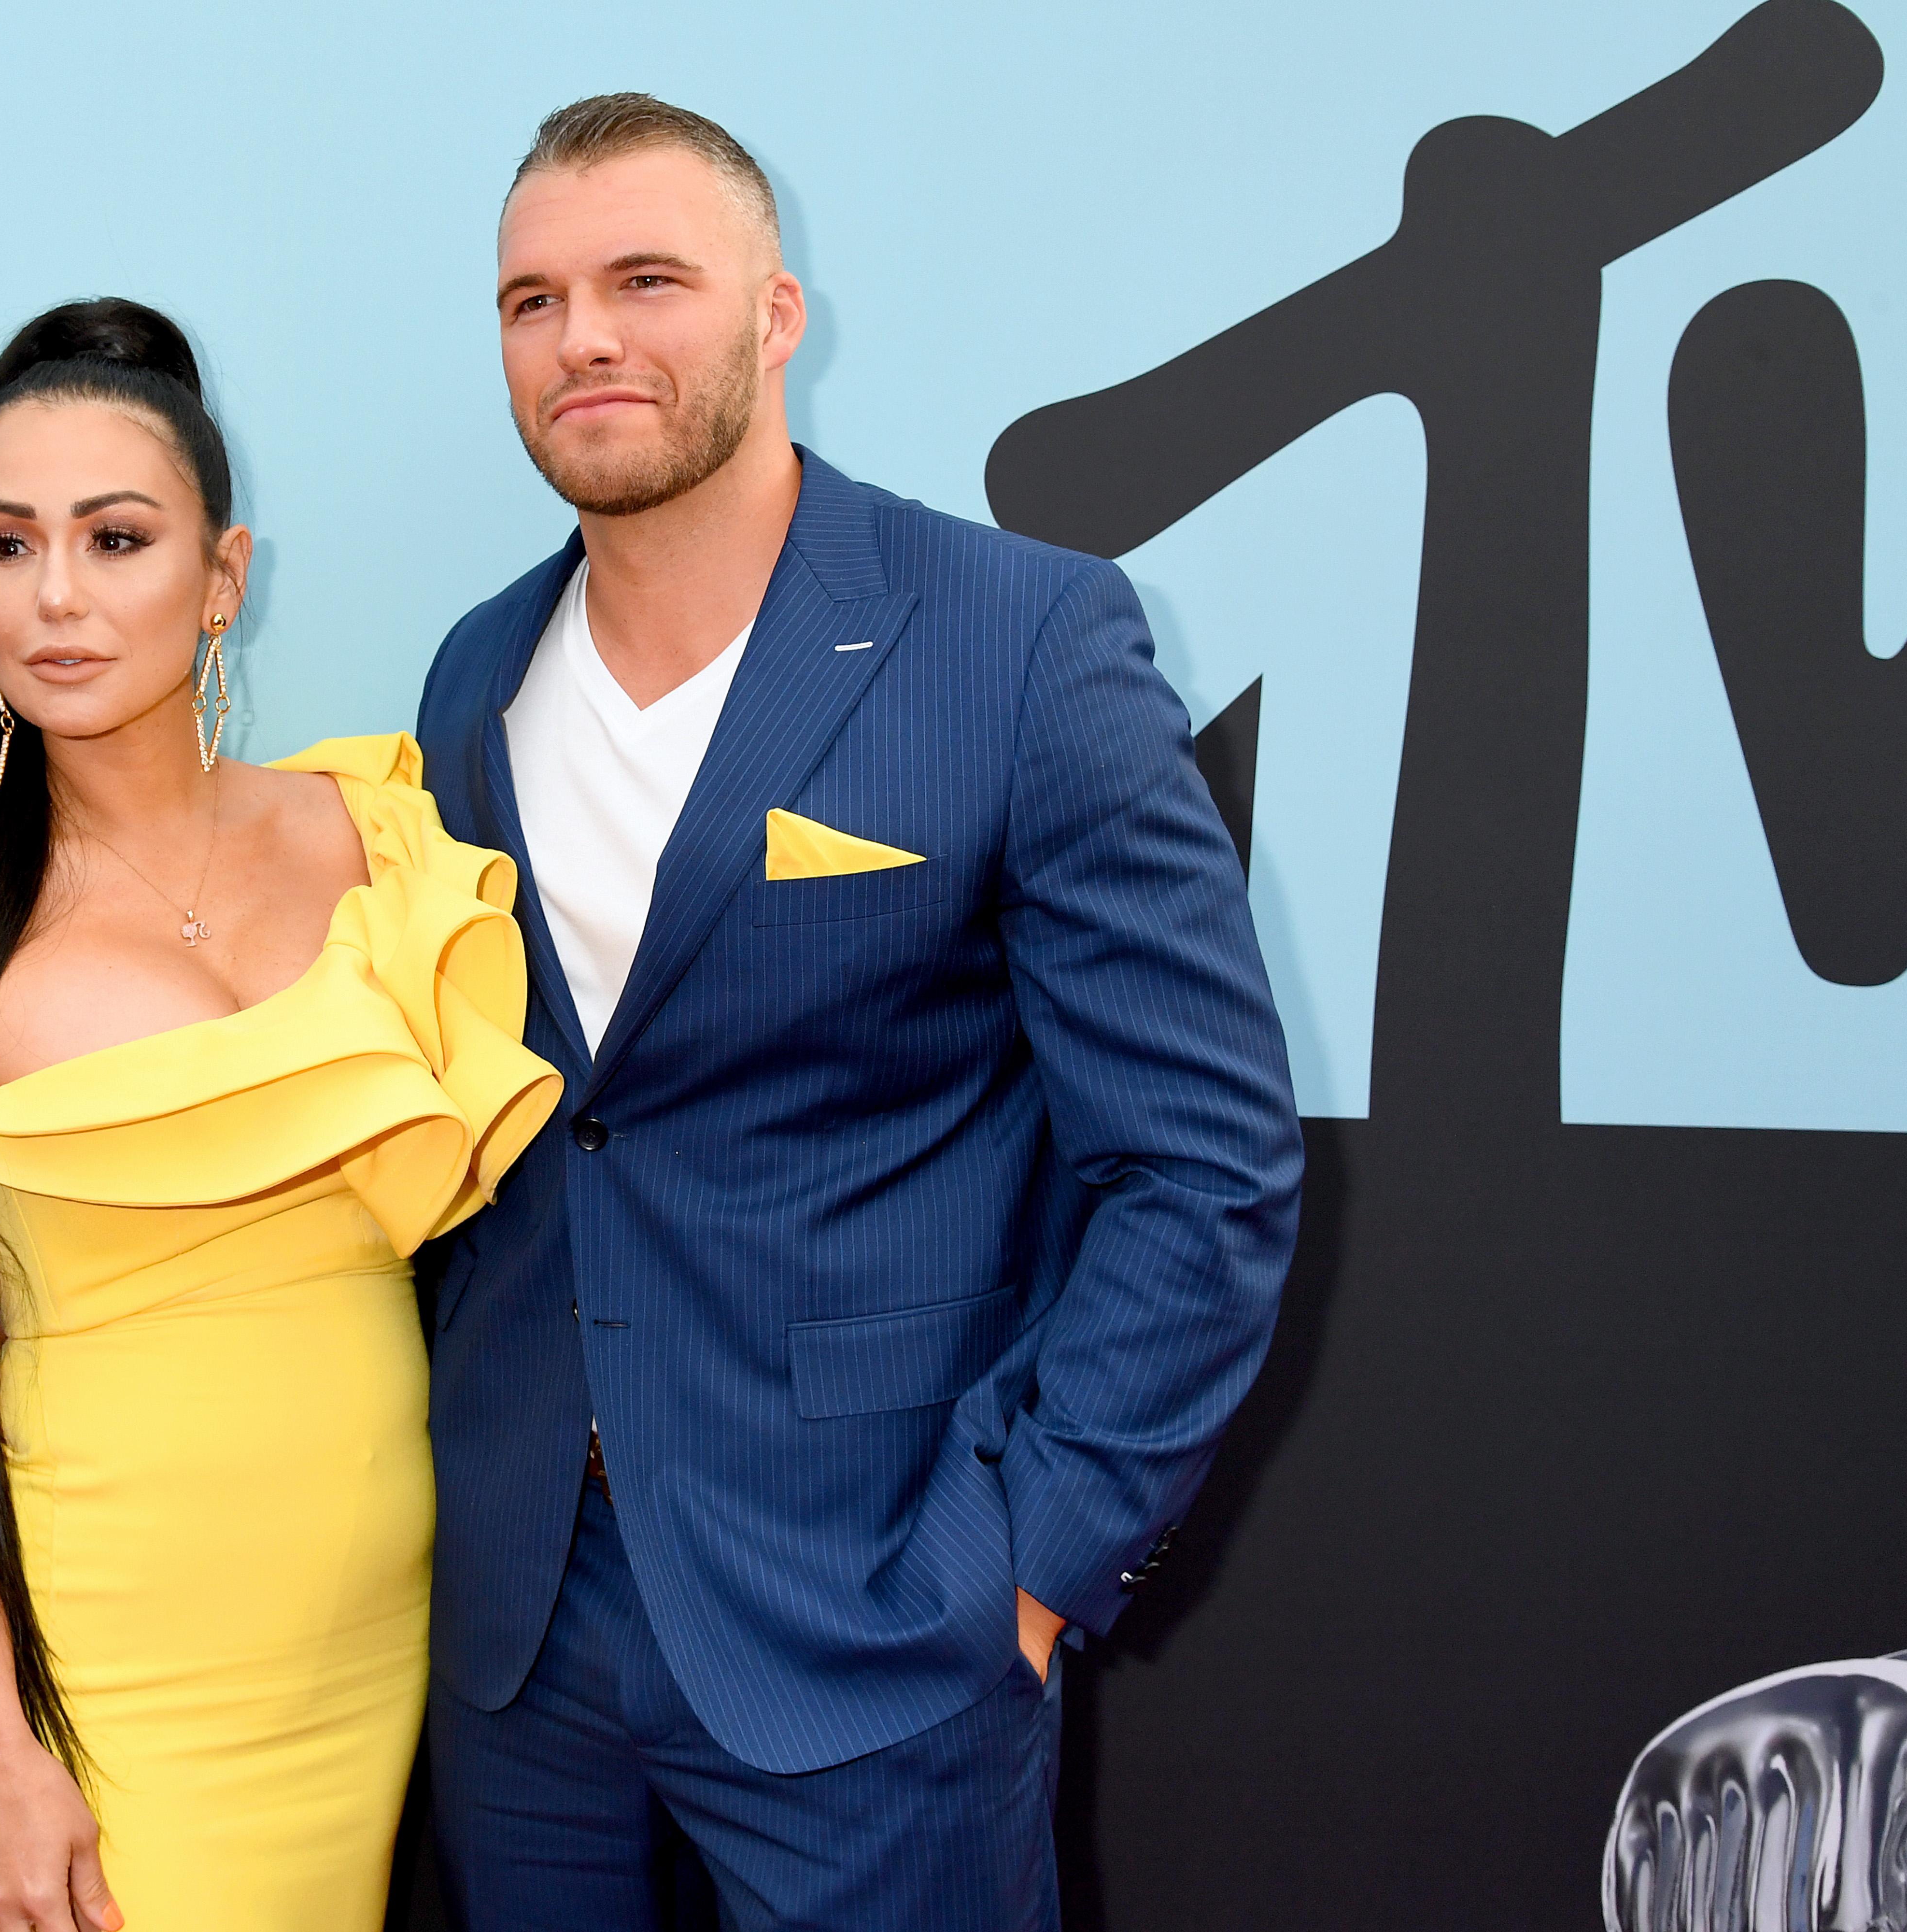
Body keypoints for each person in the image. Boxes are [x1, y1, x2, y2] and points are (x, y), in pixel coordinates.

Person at [414, 96, 1305, 1929]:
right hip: (521, 1625)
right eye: (532, 299)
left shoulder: (1019, 637)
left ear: (776, 313)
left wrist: (1028, 1568)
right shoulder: (474, 673)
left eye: (645, 280)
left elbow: (1204, 1167)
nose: (583, 336)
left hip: (879, 1619)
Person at [0, 299, 560, 1932]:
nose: (55, 595)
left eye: (115, 538)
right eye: (4, 546)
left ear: (224, 577)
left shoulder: (380, 835)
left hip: (369, 1637)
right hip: (103, 1662)